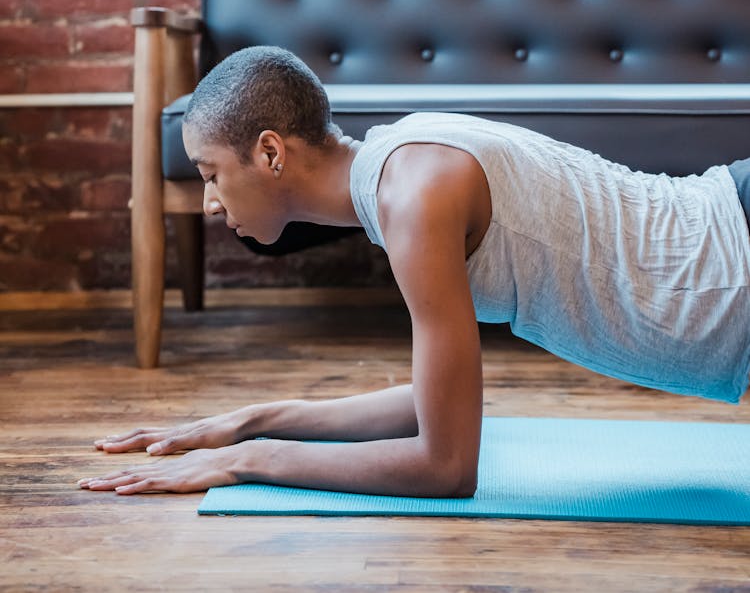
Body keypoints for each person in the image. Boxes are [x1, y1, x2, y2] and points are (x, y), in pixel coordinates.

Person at [79, 46, 750, 497]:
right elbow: (432, 405)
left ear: (271, 153)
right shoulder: (399, 164)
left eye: (211, 174)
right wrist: (252, 420)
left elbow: (447, 463)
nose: (209, 200)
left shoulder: (414, 197)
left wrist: (249, 461)